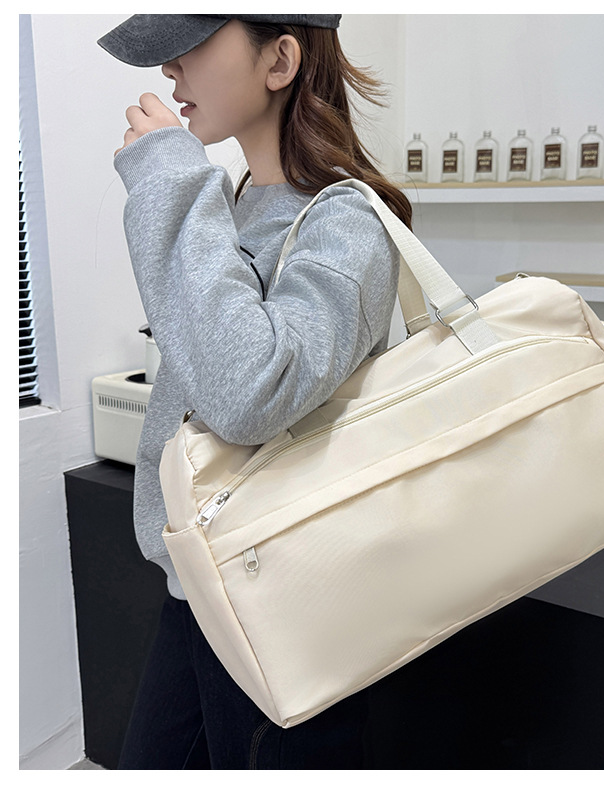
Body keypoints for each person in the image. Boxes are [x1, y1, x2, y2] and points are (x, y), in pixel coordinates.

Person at [97, 14, 409, 769]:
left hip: (284, 607)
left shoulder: (346, 221)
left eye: (193, 43)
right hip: (206, 587)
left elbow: (247, 392)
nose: (170, 69)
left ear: (281, 60)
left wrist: (171, 177)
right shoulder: (241, 202)